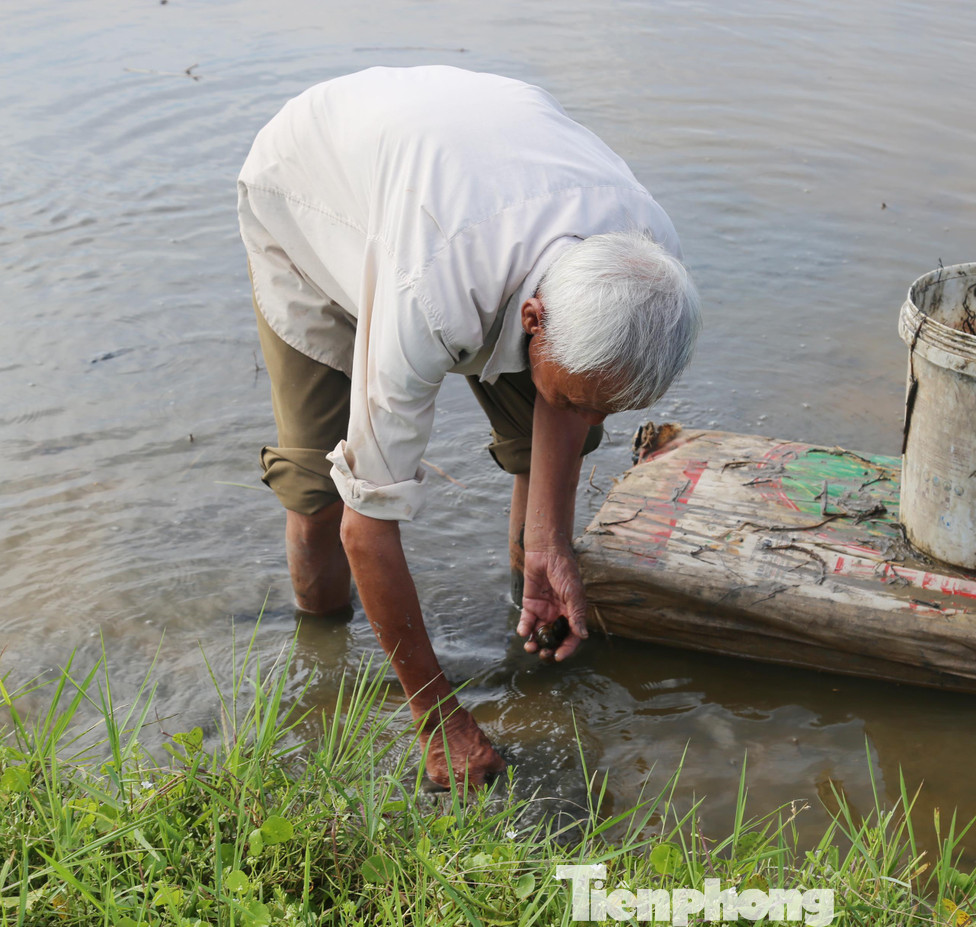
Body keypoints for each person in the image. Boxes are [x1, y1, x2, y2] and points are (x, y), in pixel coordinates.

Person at [236, 66, 701, 791]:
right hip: (309, 200)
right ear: (533, 320)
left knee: (551, 426)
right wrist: (438, 717)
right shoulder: (434, 296)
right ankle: (321, 656)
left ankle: (532, 603)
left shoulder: (648, 264)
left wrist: (553, 542)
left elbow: (573, 403)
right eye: (579, 396)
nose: (589, 420)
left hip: (457, 179)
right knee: (320, 490)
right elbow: (370, 528)